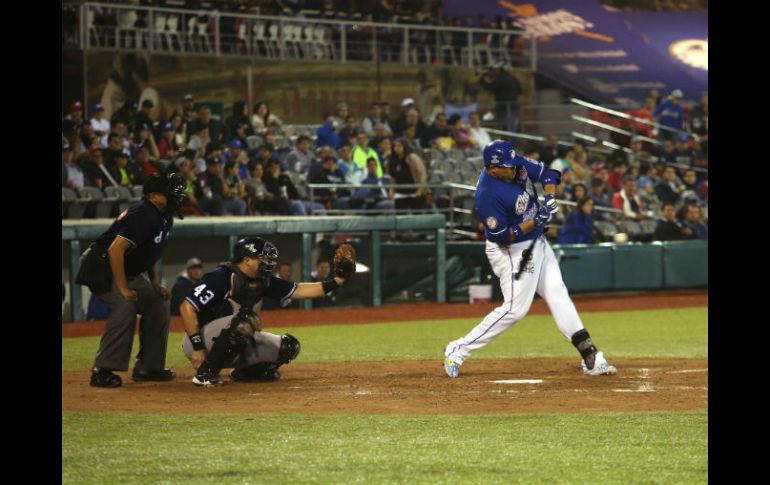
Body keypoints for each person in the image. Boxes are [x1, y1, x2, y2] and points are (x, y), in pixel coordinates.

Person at [443, 140, 617, 378]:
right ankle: (458, 349)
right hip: (512, 250)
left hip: (538, 242)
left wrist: (549, 198)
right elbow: (503, 237)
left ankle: (591, 356)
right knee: (515, 310)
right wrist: (535, 220)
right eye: (507, 166)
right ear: (493, 168)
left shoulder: (513, 163)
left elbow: (548, 174)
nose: (514, 168)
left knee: (558, 294)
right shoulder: (487, 194)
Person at [179, 237, 356, 386]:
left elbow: (300, 290)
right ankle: (206, 374)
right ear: (247, 259)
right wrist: (197, 347)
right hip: (200, 339)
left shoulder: (263, 279)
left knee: (288, 347)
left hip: (233, 333)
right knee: (246, 322)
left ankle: (245, 373)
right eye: (262, 258)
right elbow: (187, 307)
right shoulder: (222, 276)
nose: (268, 263)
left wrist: (338, 280)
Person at [76, 172, 186, 388]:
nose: (176, 196)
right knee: (124, 304)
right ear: (154, 195)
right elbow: (115, 250)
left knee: (157, 302)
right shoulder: (143, 213)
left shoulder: (165, 214)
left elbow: (151, 252)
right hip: (100, 264)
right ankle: (102, 371)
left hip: (127, 269)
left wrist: (153, 284)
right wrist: (123, 288)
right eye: (170, 192)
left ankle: (148, 368)